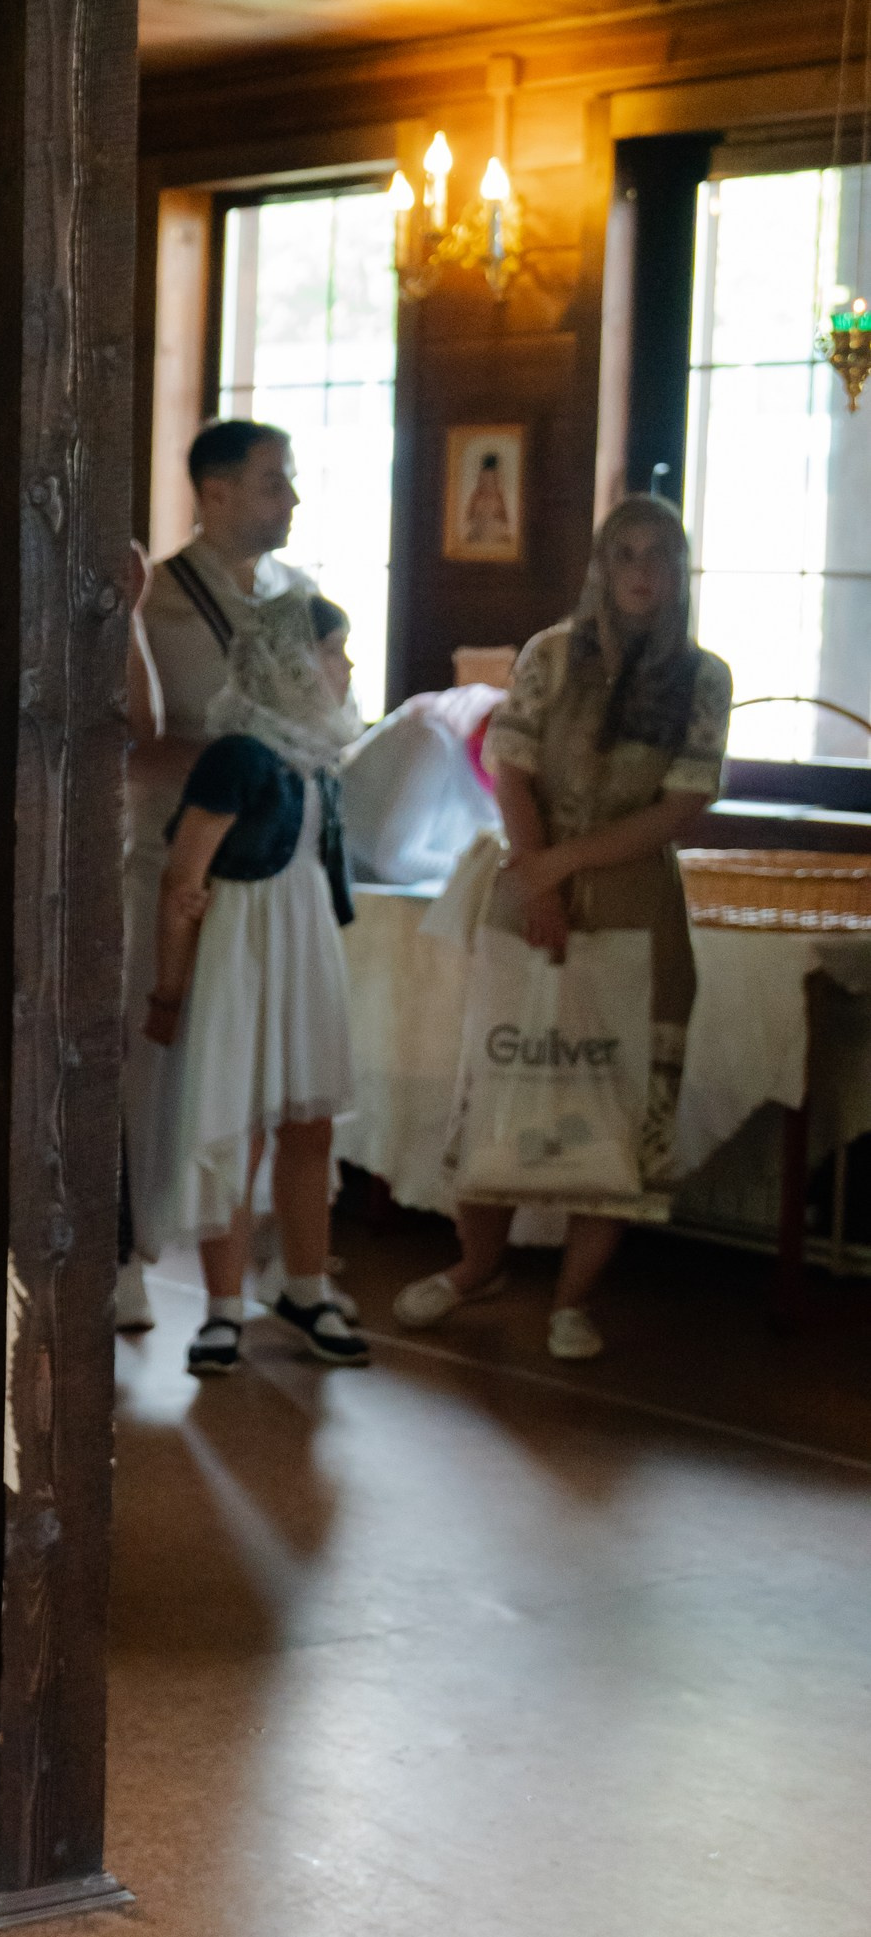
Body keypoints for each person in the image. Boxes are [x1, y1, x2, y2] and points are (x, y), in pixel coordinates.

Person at [394, 495, 730, 1364]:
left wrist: (563, 867)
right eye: (625, 553)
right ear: (601, 565)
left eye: (659, 555)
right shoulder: (548, 655)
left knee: (614, 1102)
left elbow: (684, 802)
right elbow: (514, 769)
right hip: (530, 883)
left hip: (633, 901)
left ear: (679, 571)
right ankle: (477, 1265)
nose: (641, 571)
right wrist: (537, 874)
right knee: (505, 1079)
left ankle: (574, 1301)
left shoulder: (703, 676)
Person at [122, 416, 318, 1319]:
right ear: (215, 494)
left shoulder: (299, 600)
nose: (291, 499)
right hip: (173, 861)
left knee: (258, 1069)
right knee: (153, 1058)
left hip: (270, 877)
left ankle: (266, 1270)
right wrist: (231, 760)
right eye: (274, 481)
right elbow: (130, 741)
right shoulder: (155, 600)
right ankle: (126, 1251)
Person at [143, 597, 367, 1377]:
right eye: (335, 653)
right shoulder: (238, 755)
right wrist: (169, 990)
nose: (345, 668)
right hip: (242, 949)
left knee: (310, 1127)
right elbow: (183, 877)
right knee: (234, 1126)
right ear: (293, 663)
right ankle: (223, 1307)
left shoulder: (319, 754)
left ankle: (307, 1286)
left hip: (304, 948)